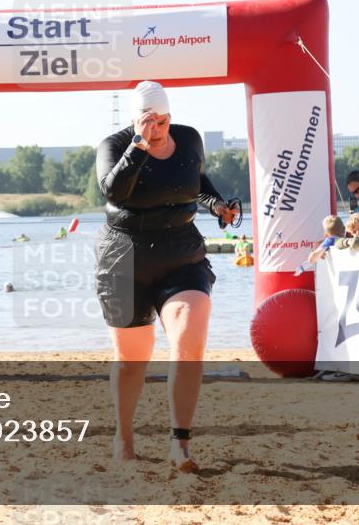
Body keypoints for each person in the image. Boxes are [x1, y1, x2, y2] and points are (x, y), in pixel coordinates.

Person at [95, 80, 237, 473]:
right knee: (131, 361)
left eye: (163, 120)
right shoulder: (113, 146)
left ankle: (180, 445)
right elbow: (115, 192)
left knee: (189, 340)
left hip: (181, 253)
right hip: (125, 257)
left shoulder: (188, 139)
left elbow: (196, 181)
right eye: (149, 121)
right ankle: (124, 436)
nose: (157, 128)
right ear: (135, 119)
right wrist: (139, 145)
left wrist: (217, 205)